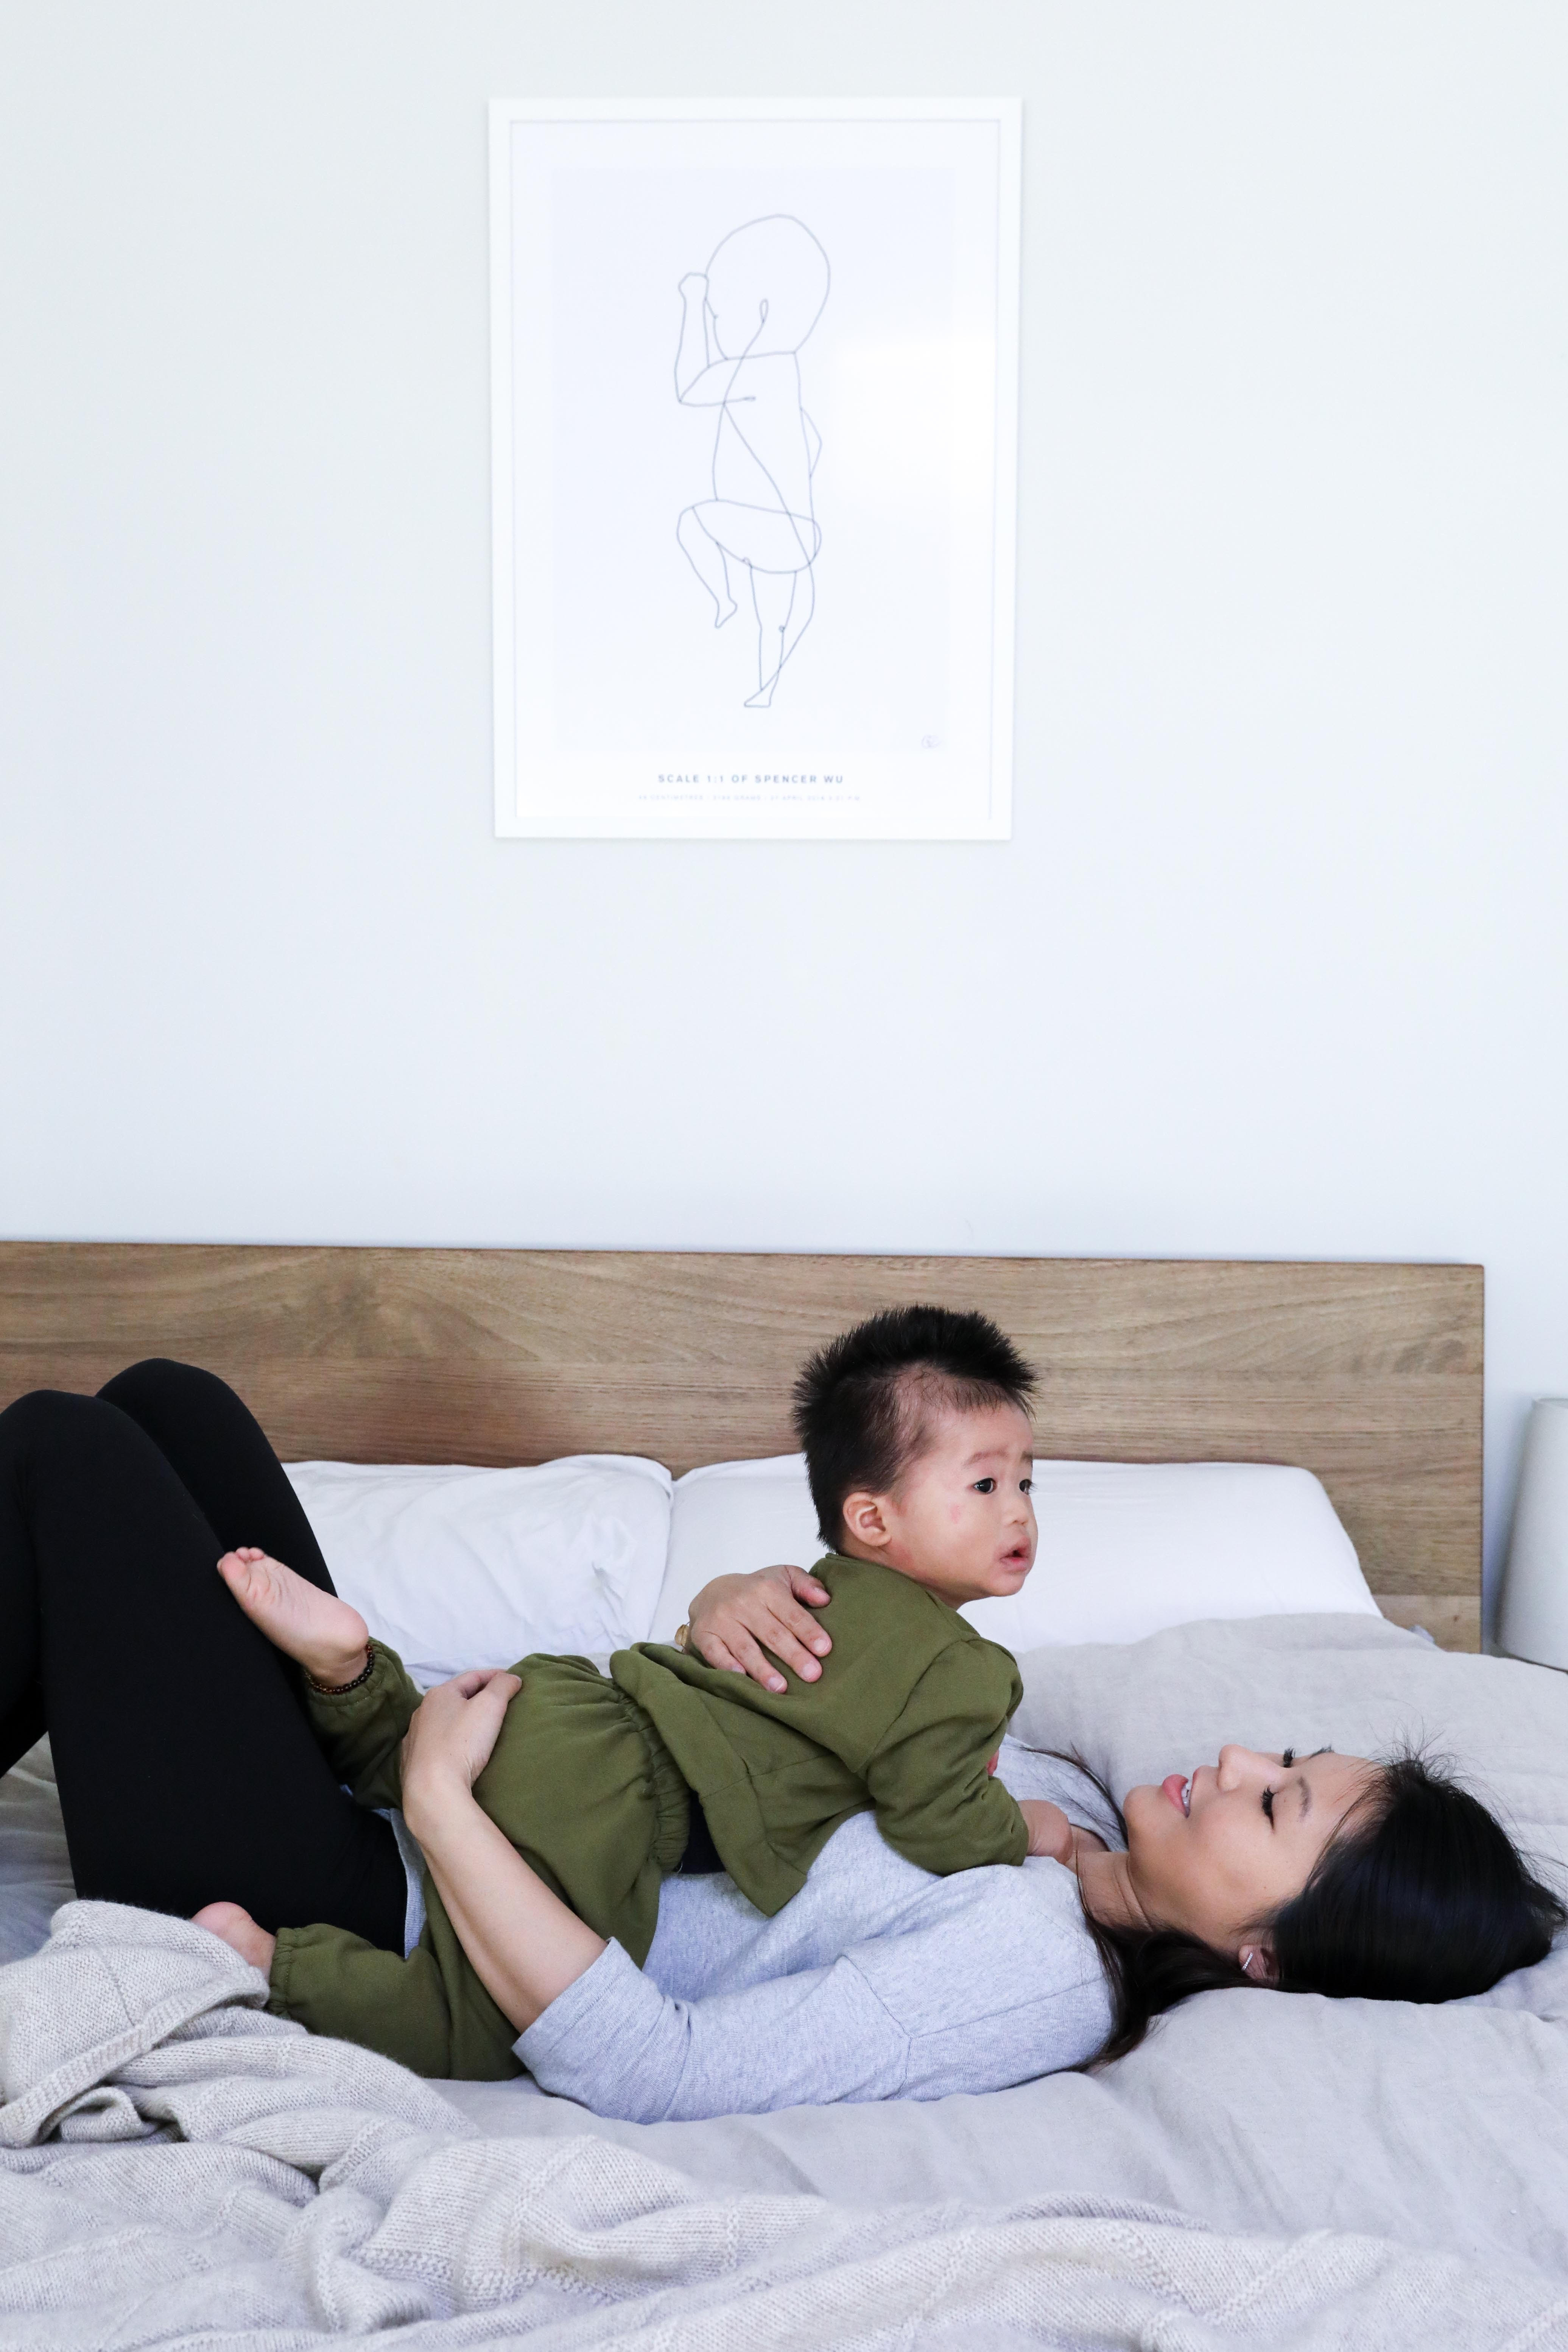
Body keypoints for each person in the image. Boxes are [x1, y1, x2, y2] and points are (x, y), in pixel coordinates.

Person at [2, 1364, 1560, 2115]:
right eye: (1277, 1753)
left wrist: (440, 1802)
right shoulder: (1066, 1796)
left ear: (1265, 1960)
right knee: (172, 1404)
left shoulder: (1030, 1979)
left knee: (70, 1455)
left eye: (1274, 1806)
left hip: (380, 1910)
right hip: (411, 1784)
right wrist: (722, 1602)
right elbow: (834, 1700)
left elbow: (661, 2068)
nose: (1230, 1763)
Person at [214, 1306, 1051, 2077]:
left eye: (1025, 1484)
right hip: (610, 1808)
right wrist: (1034, 1830)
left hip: (570, 1699)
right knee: (492, 2023)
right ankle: (269, 1965)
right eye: (985, 1486)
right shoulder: (963, 1669)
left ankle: (351, 1673)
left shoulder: (802, 1589)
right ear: (871, 1518)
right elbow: (938, 1817)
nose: (1017, 1513)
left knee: (412, 1761)